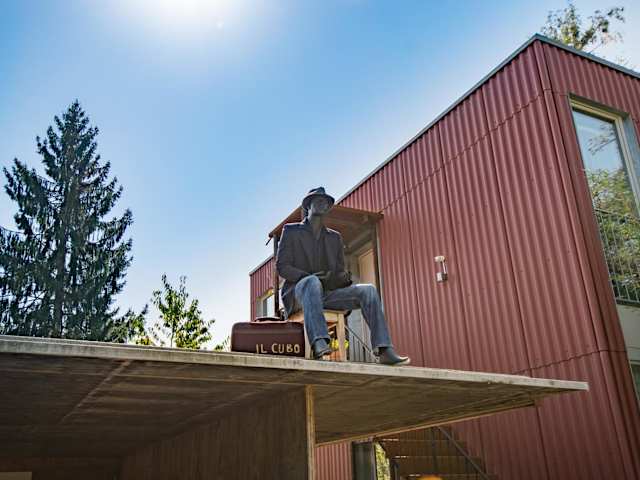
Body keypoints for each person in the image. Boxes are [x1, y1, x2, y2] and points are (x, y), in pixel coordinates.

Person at [275, 187, 410, 366]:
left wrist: (342, 278)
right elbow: (282, 267)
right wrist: (309, 276)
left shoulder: (335, 238)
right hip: (298, 293)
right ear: (308, 205)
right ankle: (320, 343)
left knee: (368, 290)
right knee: (312, 282)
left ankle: (384, 349)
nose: (323, 204)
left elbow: (338, 271)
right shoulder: (291, 231)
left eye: (326, 202)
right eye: (318, 200)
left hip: (327, 294)